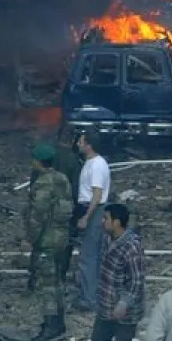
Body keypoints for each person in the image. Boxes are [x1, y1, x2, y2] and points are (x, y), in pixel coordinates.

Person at [93, 203, 145, 341]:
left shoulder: (132, 248)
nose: (102, 221)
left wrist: (124, 304)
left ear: (117, 222)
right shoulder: (108, 238)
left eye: (105, 218)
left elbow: (136, 280)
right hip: (106, 305)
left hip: (126, 311)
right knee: (99, 340)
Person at [24, 143, 71, 341]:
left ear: (38, 162)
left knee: (47, 285)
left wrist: (28, 239)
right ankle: (58, 322)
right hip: (62, 239)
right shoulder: (63, 179)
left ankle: (50, 326)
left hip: (47, 240)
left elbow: (38, 215)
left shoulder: (43, 184)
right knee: (58, 282)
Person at [74, 132, 111, 311]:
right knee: (90, 255)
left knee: (89, 256)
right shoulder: (90, 163)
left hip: (95, 210)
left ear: (89, 145)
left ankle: (90, 299)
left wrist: (86, 217)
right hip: (91, 209)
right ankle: (90, 295)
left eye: (81, 141)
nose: (78, 144)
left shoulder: (97, 165)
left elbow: (97, 194)